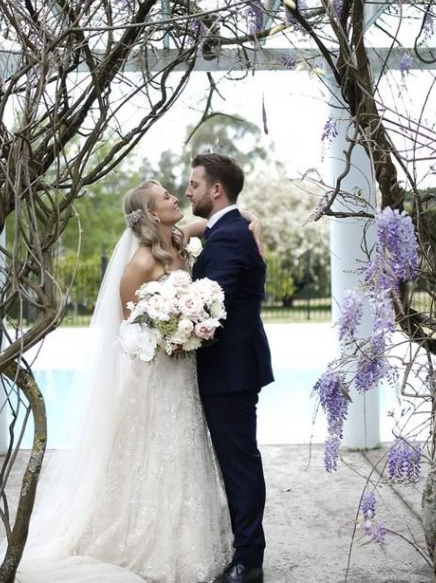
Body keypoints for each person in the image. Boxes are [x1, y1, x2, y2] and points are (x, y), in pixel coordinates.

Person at [0, 179, 260, 583]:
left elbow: (223, 220)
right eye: (166, 197)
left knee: (186, 456)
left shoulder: (181, 240)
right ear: (149, 213)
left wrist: (253, 222)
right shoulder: (141, 263)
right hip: (158, 378)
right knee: (153, 460)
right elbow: (132, 332)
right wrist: (174, 334)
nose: (175, 197)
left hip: (187, 379)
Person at [185, 153, 274, 583]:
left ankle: (249, 561)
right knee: (237, 459)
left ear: (215, 189)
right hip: (232, 368)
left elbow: (208, 310)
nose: (188, 192)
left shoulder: (228, 237)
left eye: (194, 184)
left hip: (229, 371)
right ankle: (244, 548)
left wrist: (171, 323)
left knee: (239, 461)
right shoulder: (232, 230)